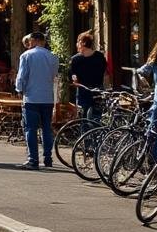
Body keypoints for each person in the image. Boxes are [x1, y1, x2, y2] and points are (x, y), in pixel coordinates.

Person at [15, 31, 59, 170]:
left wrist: (19, 89)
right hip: (47, 96)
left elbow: (22, 76)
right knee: (47, 128)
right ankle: (48, 157)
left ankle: (33, 159)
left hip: (31, 97)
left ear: (33, 41)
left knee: (30, 129)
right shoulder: (52, 56)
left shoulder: (26, 55)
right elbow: (54, 75)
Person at [68, 32, 108, 122]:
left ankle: (85, 135)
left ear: (83, 43)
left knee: (83, 117)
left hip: (83, 90)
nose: (76, 44)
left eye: (78, 42)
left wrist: (75, 82)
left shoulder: (75, 59)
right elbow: (105, 73)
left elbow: (74, 78)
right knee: (96, 116)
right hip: (98, 89)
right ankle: (96, 135)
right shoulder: (100, 56)